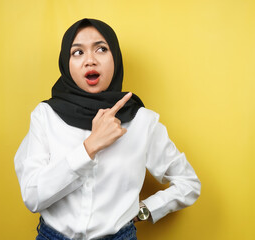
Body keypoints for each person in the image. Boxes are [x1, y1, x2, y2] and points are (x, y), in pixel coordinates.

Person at [14, 18, 201, 240]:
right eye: (77, 52)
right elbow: (33, 197)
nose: (90, 60)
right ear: (66, 62)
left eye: (101, 49)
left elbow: (189, 183)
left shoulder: (142, 121)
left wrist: (145, 210)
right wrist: (89, 147)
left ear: (116, 58)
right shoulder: (45, 116)